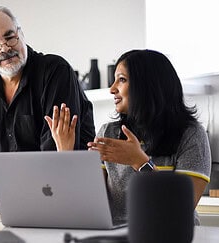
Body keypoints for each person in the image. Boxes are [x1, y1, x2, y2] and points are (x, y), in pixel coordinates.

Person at [46, 49, 211, 225]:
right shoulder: (108, 133)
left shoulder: (191, 135)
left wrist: (140, 163)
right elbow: (86, 205)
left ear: (148, 85)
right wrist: (65, 154)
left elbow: (179, 209)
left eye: (122, 80)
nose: (112, 89)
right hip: (115, 236)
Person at [0, 6, 95, 212]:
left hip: (67, 196)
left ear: (21, 34)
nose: (4, 48)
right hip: (15, 203)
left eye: (10, 37)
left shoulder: (55, 71)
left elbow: (55, 144)